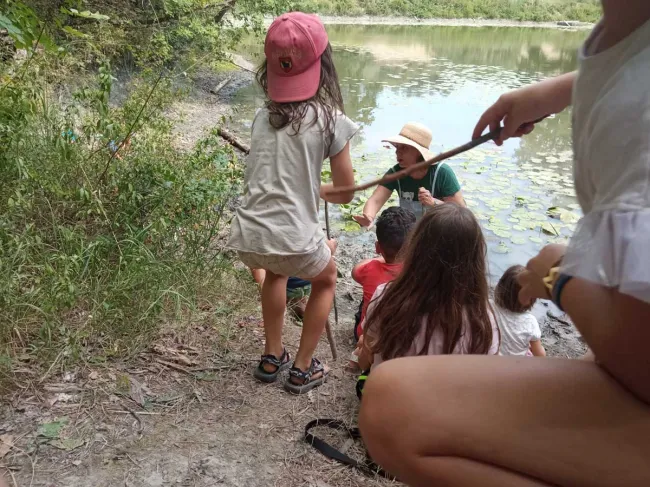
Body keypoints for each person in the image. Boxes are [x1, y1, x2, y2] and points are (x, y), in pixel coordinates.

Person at [359, 3, 650, 485]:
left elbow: (642, 365)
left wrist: (560, 274)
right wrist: (563, 89)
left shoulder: (635, 120)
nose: (398, 154)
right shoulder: (628, 47)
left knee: (393, 406)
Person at [227, 12, 357, 394]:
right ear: (323, 65)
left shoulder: (260, 117)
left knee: (276, 271)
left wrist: (304, 188)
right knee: (327, 277)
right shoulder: (332, 120)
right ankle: (302, 368)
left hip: (249, 235)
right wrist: (314, 189)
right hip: (292, 238)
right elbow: (346, 192)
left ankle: (271, 357)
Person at [355, 204, 500, 373]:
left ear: (415, 247)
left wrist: (363, 356)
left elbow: (366, 357)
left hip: (392, 394)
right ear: (475, 259)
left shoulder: (386, 296)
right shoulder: (484, 318)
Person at [353, 122, 464, 227]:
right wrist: (369, 217)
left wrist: (433, 203)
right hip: (410, 231)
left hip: (439, 230)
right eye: (397, 147)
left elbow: (461, 212)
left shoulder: (442, 173)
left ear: (419, 152)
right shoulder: (396, 173)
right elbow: (376, 200)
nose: (397, 152)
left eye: (404, 147)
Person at [351, 206, 416, 341]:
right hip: (401, 340)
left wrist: (380, 259)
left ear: (377, 247)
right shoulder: (416, 271)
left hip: (365, 337)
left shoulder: (370, 268)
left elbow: (355, 271)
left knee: (368, 297)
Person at [494, 265, 546, 357]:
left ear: (500, 287)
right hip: (518, 365)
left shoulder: (490, 307)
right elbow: (540, 355)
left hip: (494, 358)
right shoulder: (530, 322)